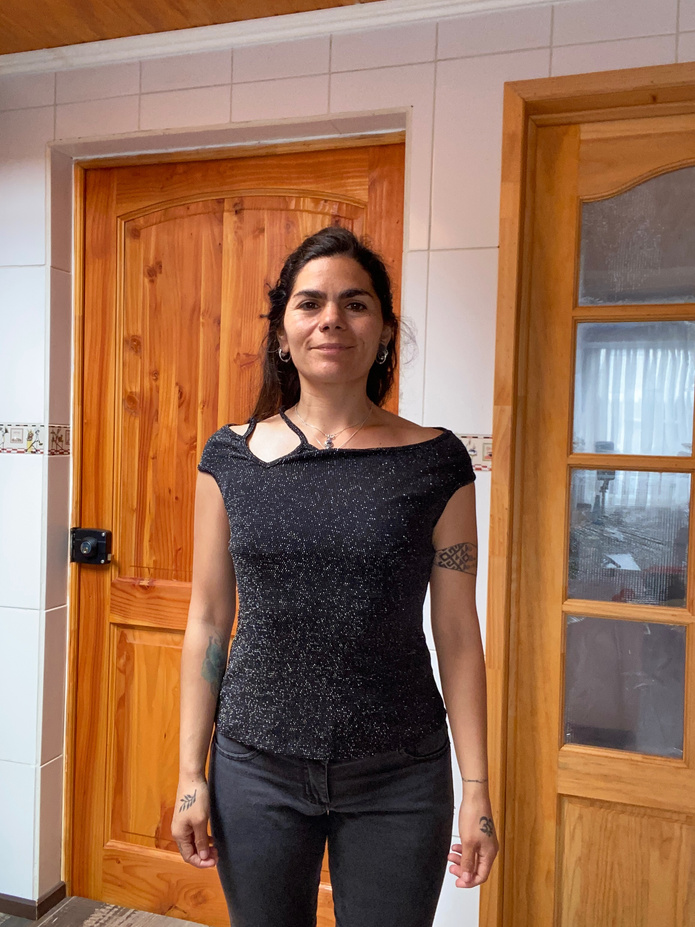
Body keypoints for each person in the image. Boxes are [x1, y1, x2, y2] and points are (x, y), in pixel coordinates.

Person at [172, 226, 498, 927]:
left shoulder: (436, 462)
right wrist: (190, 773)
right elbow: (208, 619)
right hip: (254, 768)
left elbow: (457, 631)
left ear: (384, 332)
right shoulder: (229, 458)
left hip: (399, 772)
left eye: (355, 303)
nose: (331, 319)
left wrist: (476, 786)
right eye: (310, 302)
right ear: (281, 334)